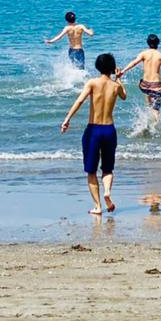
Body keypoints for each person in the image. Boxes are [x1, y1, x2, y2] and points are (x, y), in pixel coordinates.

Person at [61, 52, 126, 215]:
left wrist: (67, 119)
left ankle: (98, 206)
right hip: (109, 130)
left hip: (93, 130)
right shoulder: (116, 86)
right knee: (108, 169)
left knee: (91, 171)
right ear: (113, 68)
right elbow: (124, 97)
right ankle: (107, 192)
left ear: (98, 66)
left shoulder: (92, 83)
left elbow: (80, 101)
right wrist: (118, 78)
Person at [118, 34, 161, 121]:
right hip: (156, 86)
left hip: (144, 85)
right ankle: (156, 125)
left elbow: (134, 63)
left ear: (148, 43)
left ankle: (148, 106)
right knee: (156, 110)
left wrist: (123, 71)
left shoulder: (143, 53)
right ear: (158, 43)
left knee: (147, 91)